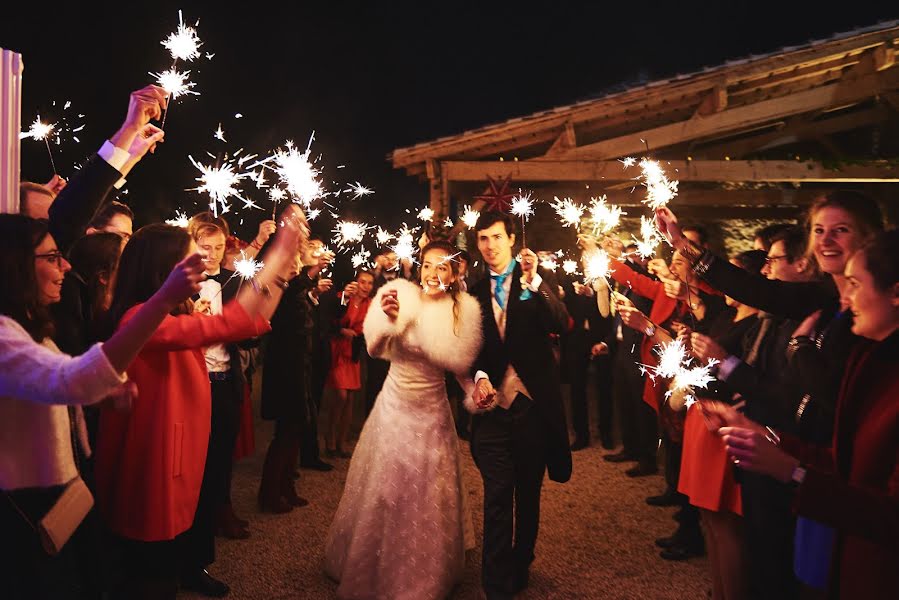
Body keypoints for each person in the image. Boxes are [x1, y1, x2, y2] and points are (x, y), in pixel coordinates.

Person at [93, 207, 307, 599]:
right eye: (190, 256)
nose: (203, 262)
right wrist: (277, 257)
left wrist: (280, 268)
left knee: (162, 566)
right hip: (152, 469)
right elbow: (232, 323)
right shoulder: (141, 318)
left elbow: (247, 319)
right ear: (164, 268)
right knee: (149, 575)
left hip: (171, 458)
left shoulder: (175, 311)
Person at [0, 214, 204, 600]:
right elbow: (69, 378)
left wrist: (99, 394)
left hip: (56, 487)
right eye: (52, 257)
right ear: (14, 267)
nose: (67, 266)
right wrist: (163, 300)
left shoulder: (28, 328)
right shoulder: (3, 337)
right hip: (25, 501)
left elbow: (54, 384)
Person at [710, 229, 899, 599]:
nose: (846, 299)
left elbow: (889, 514)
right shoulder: (872, 361)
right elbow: (846, 458)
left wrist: (790, 472)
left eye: (855, 284)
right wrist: (767, 437)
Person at [324, 241, 482, 600]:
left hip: (433, 413)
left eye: (442, 267)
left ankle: (426, 570)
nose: (432, 273)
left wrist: (477, 391)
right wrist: (390, 322)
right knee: (386, 488)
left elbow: (460, 368)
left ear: (456, 274)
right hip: (394, 408)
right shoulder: (398, 293)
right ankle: (374, 564)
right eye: (427, 265)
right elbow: (373, 348)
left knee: (429, 492)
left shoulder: (463, 312)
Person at [467, 211, 571, 600]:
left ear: (511, 239)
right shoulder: (474, 293)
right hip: (493, 410)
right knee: (497, 493)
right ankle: (495, 584)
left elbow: (561, 322)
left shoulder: (536, 282)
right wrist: (479, 378)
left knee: (528, 493)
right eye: (482, 239)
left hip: (532, 407)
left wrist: (537, 281)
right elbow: (471, 349)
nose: (490, 246)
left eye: (496, 237)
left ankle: (521, 559)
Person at [324, 270, 374, 457]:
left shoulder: (371, 304)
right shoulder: (343, 297)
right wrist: (342, 330)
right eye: (362, 282)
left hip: (352, 353)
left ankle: (341, 442)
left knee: (350, 399)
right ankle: (329, 438)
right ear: (356, 282)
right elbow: (330, 319)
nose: (366, 286)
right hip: (337, 349)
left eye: (369, 283)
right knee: (341, 396)